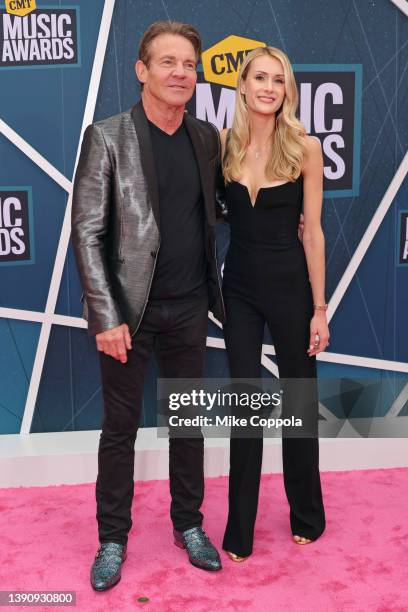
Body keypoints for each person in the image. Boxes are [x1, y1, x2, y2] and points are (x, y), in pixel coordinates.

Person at [71, 21, 226, 591]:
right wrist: (105, 315)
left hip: (190, 310)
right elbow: (86, 232)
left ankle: (189, 525)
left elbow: (218, 210)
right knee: (120, 430)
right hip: (128, 317)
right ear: (142, 71)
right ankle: (112, 538)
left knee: (189, 427)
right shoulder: (107, 136)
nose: (180, 73)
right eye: (167, 63)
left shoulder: (206, 137)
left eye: (188, 64)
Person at [218, 46, 329, 562]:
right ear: (241, 85)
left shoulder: (305, 148)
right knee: (245, 408)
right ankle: (238, 529)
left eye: (278, 80)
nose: (268, 87)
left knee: (298, 407)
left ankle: (306, 514)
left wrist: (320, 308)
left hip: (290, 286)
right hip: (237, 289)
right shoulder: (221, 145)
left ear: (288, 90)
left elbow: (314, 233)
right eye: (259, 77)